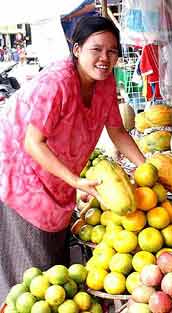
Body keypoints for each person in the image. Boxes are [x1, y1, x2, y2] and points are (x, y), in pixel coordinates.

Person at [0, 16, 145, 299]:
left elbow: (117, 131)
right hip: (22, 175)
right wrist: (75, 180)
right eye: (97, 49)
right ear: (77, 49)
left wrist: (148, 166)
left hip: (59, 175)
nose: (105, 58)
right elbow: (33, 143)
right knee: (31, 276)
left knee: (55, 268)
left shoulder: (105, 82)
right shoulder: (56, 83)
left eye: (112, 51)